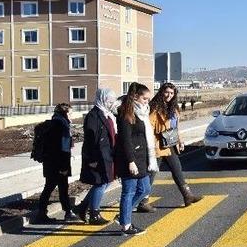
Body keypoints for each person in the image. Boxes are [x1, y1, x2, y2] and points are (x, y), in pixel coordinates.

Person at [146, 83, 201, 208]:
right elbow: (149, 126)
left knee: (177, 170)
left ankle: (187, 195)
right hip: (158, 145)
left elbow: (176, 127)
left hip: (170, 144)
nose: (169, 95)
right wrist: (156, 137)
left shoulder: (174, 108)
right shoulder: (154, 108)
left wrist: (180, 141)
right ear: (161, 92)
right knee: (152, 173)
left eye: (172, 93)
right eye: (167, 92)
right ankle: (143, 201)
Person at [114, 82, 157, 235]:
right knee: (128, 192)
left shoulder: (143, 113)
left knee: (145, 189)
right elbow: (125, 140)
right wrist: (130, 161)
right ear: (135, 96)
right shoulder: (126, 113)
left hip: (142, 158)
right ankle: (126, 225)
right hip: (130, 159)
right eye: (145, 99)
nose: (147, 102)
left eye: (148, 99)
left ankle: (123, 215)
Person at [74, 89, 118, 225]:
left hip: (109, 154)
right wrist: (92, 159)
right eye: (108, 101)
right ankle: (94, 214)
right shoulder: (94, 115)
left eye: (112, 101)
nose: (111, 104)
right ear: (102, 99)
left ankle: (83, 207)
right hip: (98, 156)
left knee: (106, 181)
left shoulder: (108, 114)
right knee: (101, 182)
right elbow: (91, 140)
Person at [35, 104, 78, 223]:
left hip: (49, 162)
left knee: (48, 187)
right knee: (63, 188)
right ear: (64, 114)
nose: (72, 116)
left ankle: (41, 213)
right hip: (59, 163)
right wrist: (64, 167)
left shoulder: (52, 123)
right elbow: (63, 148)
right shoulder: (62, 126)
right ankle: (68, 212)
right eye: (70, 113)